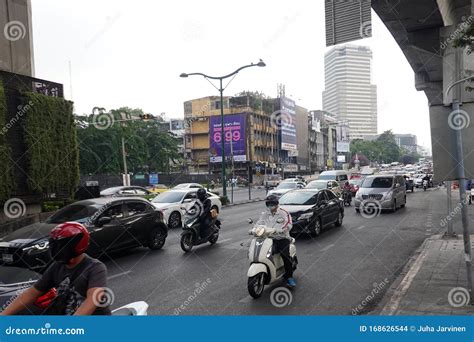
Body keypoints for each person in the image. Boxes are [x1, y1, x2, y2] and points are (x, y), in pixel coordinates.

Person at [1, 222, 111, 316]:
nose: (55, 250)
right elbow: (32, 292)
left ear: (75, 246)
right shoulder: (57, 266)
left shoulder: (96, 268)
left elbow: (92, 300)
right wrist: (3, 315)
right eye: (54, 245)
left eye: (60, 246)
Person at [261, 195, 296, 288]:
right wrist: (254, 229)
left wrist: (280, 230)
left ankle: (289, 277)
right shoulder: (265, 213)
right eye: (268, 204)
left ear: (276, 204)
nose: (270, 206)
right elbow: (259, 223)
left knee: (285, 256)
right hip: (269, 239)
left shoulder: (283, 213)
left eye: (272, 204)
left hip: (282, 238)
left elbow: (288, 224)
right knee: (263, 254)